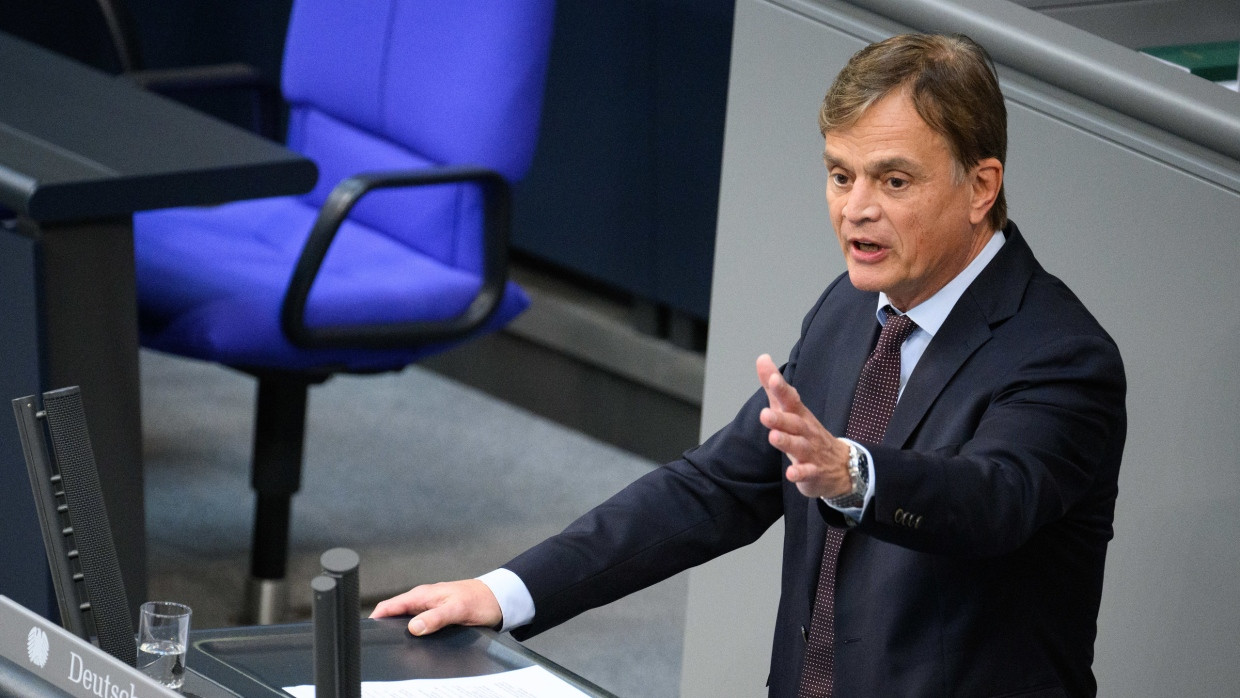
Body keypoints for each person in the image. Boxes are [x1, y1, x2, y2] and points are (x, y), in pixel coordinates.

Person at [373, 33, 1126, 697]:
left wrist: (855, 475)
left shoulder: (1060, 354)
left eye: (893, 181)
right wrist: (507, 593)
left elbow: (993, 502)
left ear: (980, 186)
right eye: (840, 174)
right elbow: (716, 488)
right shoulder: (851, 308)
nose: (855, 209)